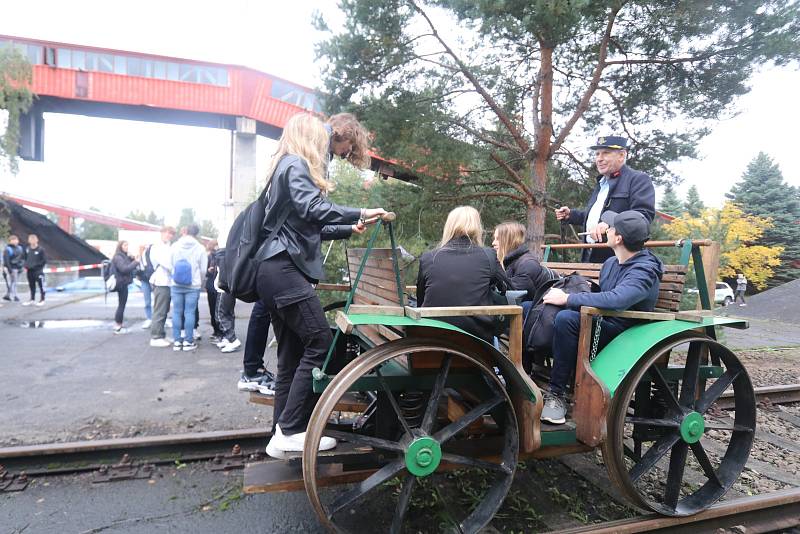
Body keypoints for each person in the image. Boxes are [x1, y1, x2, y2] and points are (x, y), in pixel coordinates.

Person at [255, 113, 386, 459]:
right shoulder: (296, 164)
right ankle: (292, 430)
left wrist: (347, 227)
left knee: (291, 355)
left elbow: (308, 223)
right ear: (308, 137)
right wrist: (359, 213)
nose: (326, 147)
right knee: (321, 342)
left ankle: (281, 433)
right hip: (284, 270)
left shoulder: (283, 167)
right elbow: (314, 207)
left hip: (273, 270)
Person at [539, 210, 663, 424]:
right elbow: (604, 295)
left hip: (625, 336)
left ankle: (556, 395)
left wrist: (568, 298)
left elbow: (618, 300)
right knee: (540, 310)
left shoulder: (644, 270)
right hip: (602, 322)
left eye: (611, 227)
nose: (607, 229)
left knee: (567, 319)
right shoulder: (611, 263)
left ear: (618, 238)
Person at [416, 206, 511, 343]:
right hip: (476, 340)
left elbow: (421, 299)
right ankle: (496, 365)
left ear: (449, 227)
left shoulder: (429, 257)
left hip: (433, 336)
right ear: (477, 227)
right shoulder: (488, 255)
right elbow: (506, 288)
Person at [555, 136, 655, 263]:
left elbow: (643, 216)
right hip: (589, 256)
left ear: (621, 155)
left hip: (619, 260)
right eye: (597, 154)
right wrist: (571, 215)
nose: (599, 159)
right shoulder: (601, 183)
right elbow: (595, 218)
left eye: (606, 153)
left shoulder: (638, 179)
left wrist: (611, 223)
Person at [492, 222, 556, 303]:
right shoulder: (507, 262)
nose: (493, 243)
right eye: (494, 239)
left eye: (498, 239)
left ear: (511, 241)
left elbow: (515, 297)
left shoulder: (527, 264)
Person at [170, 223, 207, 352]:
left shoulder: (174, 246)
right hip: (193, 285)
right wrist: (199, 282)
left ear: (185, 231)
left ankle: (176, 341)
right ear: (196, 233)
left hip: (176, 284)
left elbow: (170, 264)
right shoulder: (200, 248)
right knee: (189, 312)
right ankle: (188, 341)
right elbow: (203, 269)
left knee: (176, 312)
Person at [149, 226, 177, 347]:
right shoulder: (157, 247)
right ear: (161, 233)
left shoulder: (168, 246)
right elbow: (166, 263)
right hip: (161, 281)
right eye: (167, 233)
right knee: (160, 310)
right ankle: (156, 336)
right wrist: (176, 268)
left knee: (164, 309)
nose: (169, 235)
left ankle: (161, 334)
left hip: (167, 281)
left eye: (171, 234)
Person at [111, 240, 139, 334]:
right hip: (121, 283)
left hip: (123, 283)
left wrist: (132, 258)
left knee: (122, 304)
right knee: (121, 305)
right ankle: (118, 325)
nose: (127, 247)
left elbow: (128, 265)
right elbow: (124, 269)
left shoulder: (123, 256)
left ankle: (119, 324)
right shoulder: (118, 257)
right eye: (125, 245)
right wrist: (135, 262)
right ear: (120, 246)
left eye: (127, 245)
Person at [205, 240, 224, 343]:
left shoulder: (220, 257)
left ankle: (220, 332)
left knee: (217, 311)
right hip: (213, 286)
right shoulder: (210, 257)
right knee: (214, 311)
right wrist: (209, 271)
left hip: (216, 286)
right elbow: (206, 272)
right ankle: (217, 331)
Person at [22, 234, 47, 306]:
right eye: (30, 239)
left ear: (37, 240)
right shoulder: (27, 249)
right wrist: (25, 266)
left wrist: (36, 266)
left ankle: (42, 299)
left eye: (33, 239)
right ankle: (32, 299)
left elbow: (44, 260)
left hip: (38, 271)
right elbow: (24, 258)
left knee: (41, 285)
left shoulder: (41, 249)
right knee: (31, 285)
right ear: (29, 241)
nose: (32, 241)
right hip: (29, 271)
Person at [137, 244, 155, 330]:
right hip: (144, 280)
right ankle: (149, 318)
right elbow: (138, 268)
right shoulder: (139, 256)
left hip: (154, 279)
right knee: (147, 301)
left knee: (159, 301)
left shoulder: (152, 253)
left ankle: (160, 318)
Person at [3, 235, 25, 302]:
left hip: (19, 267)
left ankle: (8, 295)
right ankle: (15, 296)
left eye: (16, 240)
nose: (15, 241)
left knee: (13, 282)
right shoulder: (8, 249)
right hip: (12, 268)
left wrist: (23, 266)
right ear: (10, 241)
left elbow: (23, 257)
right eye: (13, 240)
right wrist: (9, 270)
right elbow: (6, 260)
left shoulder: (20, 248)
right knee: (14, 282)